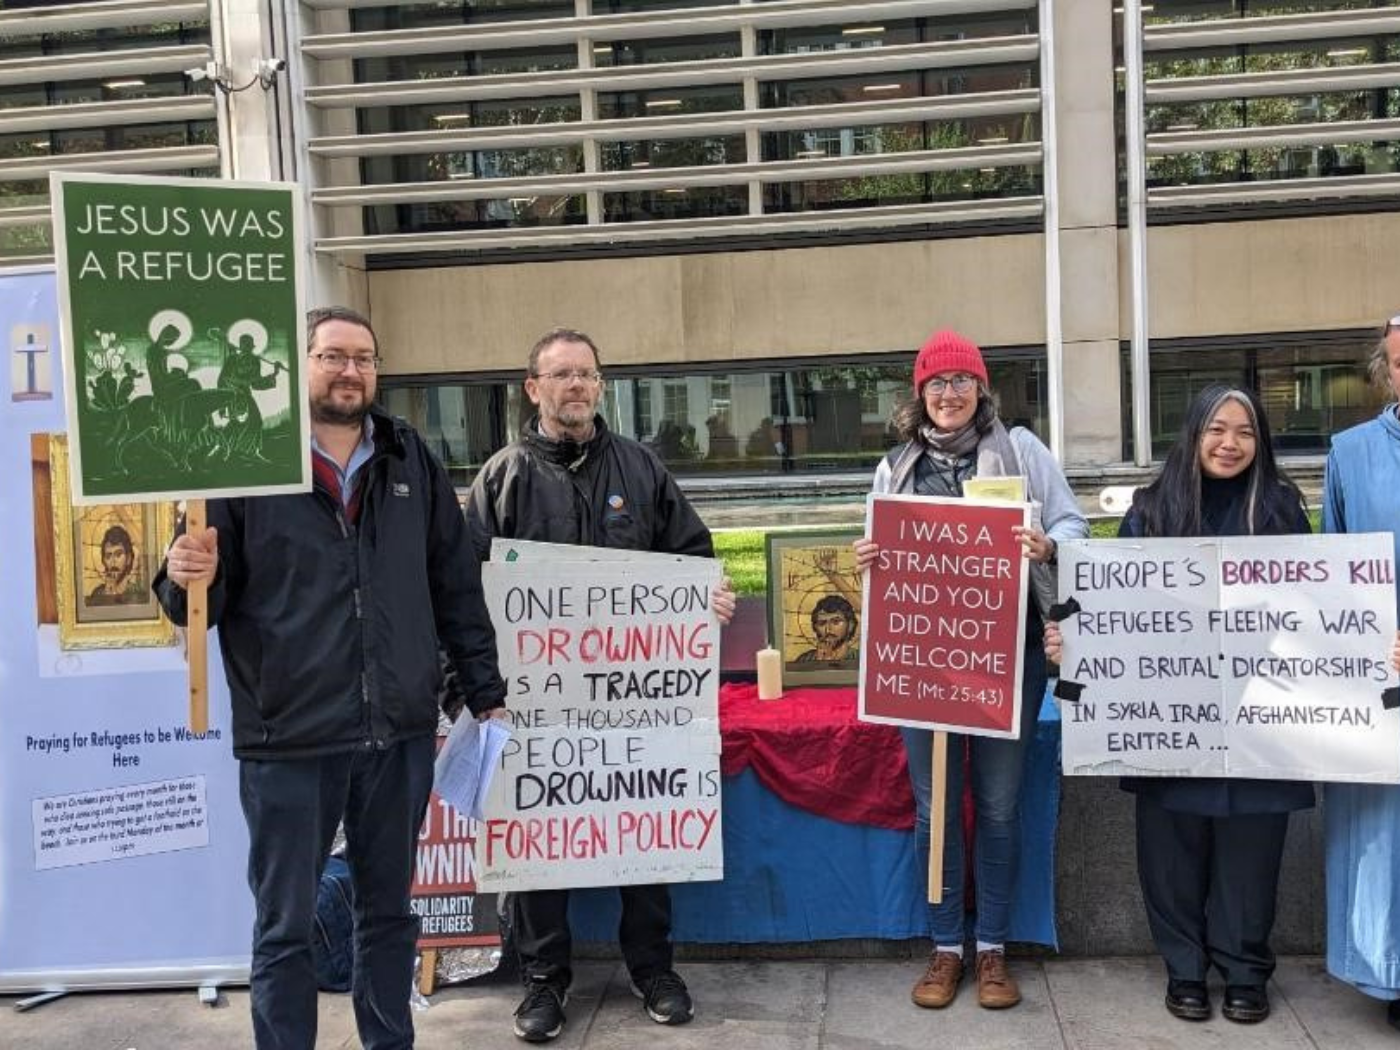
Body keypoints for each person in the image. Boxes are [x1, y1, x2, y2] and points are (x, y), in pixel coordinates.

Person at [155, 306, 506, 1050]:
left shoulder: (409, 458)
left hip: (398, 732)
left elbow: (454, 584)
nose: (351, 371)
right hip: (288, 734)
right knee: (285, 926)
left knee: (389, 915)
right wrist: (181, 575)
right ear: (301, 365)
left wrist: (484, 691)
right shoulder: (243, 458)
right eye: (333, 356)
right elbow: (198, 604)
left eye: (364, 358)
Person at [465, 326, 735, 1044]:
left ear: (601, 385)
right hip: (535, 705)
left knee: (641, 821)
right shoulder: (501, 478)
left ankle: (653, 969)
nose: (576, 385)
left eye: (586, 373)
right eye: (561, 374)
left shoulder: (642, 469)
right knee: (537, 837)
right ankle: (544, 980)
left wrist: (704, 597)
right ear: (534, 389)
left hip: (635, 702)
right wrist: (471, 688)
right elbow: (465, 590)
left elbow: (691, 556)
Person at [1047, 383, 1312, 1025]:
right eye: (1216, 429)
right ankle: (1185, 969)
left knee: (1252, 856)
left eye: (1245, 432)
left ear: (1261, 442)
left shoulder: (1282, 509)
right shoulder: (1150, 510)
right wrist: (1073, 641)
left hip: (1260, 718)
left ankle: (1246, 971)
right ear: (1193, 434)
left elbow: (1316, 608)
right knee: (1170, 855)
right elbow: (1110, 608)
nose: (1230, 444)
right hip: (1168, 718)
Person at [853, 329, 1087, 1011]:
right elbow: (880, 561)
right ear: (919, 393)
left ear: (981, 389)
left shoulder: (1022, 451)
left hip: (1008, 659)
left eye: (961, 381)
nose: (949, 393)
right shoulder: (894, 467)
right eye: (937, 382)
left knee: (1000, 805)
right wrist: (868, 560)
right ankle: (945, 946)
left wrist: (1047, 545)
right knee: (935, 809)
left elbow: (1075, 526)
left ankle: (993, 948)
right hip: (922, 662)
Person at [1321, 315, 1400, 1032]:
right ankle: (1391, 975)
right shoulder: (1350, 453)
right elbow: (1332, 572)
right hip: (1381, 679)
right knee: (1384, 835)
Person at [794, 594, 859, 665]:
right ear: (815, 627)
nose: (828, 630)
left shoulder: (859, 658)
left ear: (850, 625)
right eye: (822, 623)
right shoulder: (804, 660)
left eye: (836, 622)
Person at [88, 523, 144, 605]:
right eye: (108, 556)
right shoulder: (97, 594)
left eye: (118, 554)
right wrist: (106, 597)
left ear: (128, 559)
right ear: (103, 561)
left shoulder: (136, 593)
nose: (113, 561)